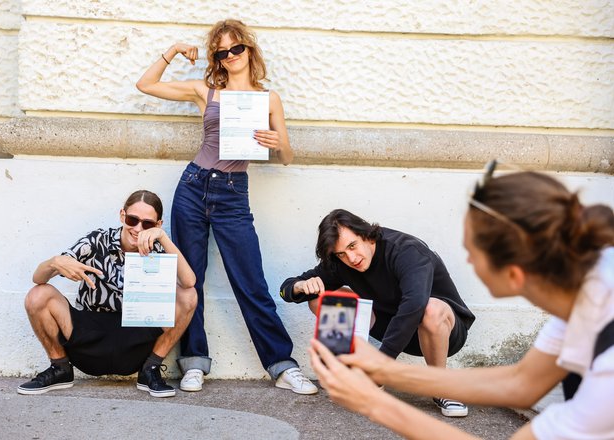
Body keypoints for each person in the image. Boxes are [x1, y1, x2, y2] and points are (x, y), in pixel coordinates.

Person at [309, 164, 614, 439]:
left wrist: (375, 403)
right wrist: (381, 370)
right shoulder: (588, 290)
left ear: (513, 273)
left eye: (471, 251)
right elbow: (521, 383)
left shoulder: (608, 368)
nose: (466, 259)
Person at [135, 19, 317, 394]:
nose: (230, 56)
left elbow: (286, 157)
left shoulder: (268, 99)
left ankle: (282, 365)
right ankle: (194, 362)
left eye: (236, 48)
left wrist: (274, 142)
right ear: (216, 58)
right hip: (192, 186)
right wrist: (172, 50)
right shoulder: (207, 91)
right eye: (222, 52)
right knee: (190, 280)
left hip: (233, 193)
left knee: (251, 282)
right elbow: (145, 85)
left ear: (249, 50)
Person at [279, 208, 475, 416]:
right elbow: (285, 289)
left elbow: (414, 306)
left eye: (352, 246)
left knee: (429, 308)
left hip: (442, 330)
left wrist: (380, 367)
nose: (351, 258)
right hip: (389, 324)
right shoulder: (341, 261)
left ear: (366, 235)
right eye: (342, 254)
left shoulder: (406, 251)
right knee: (320, 297)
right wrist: (300, 287)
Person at [17, 190, 197, 398]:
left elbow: (189, 282)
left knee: (188, 295)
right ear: (122, 215)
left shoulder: (157, 248)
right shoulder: (97, 240)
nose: (138, 228)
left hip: (136, 339)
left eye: (147, 224)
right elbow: (38, 278)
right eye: (132, 219)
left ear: (157, 225)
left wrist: (163, 237)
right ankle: (60, 368)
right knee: (37, 295)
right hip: (89, 335)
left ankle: (151, 370)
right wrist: (53, 262)